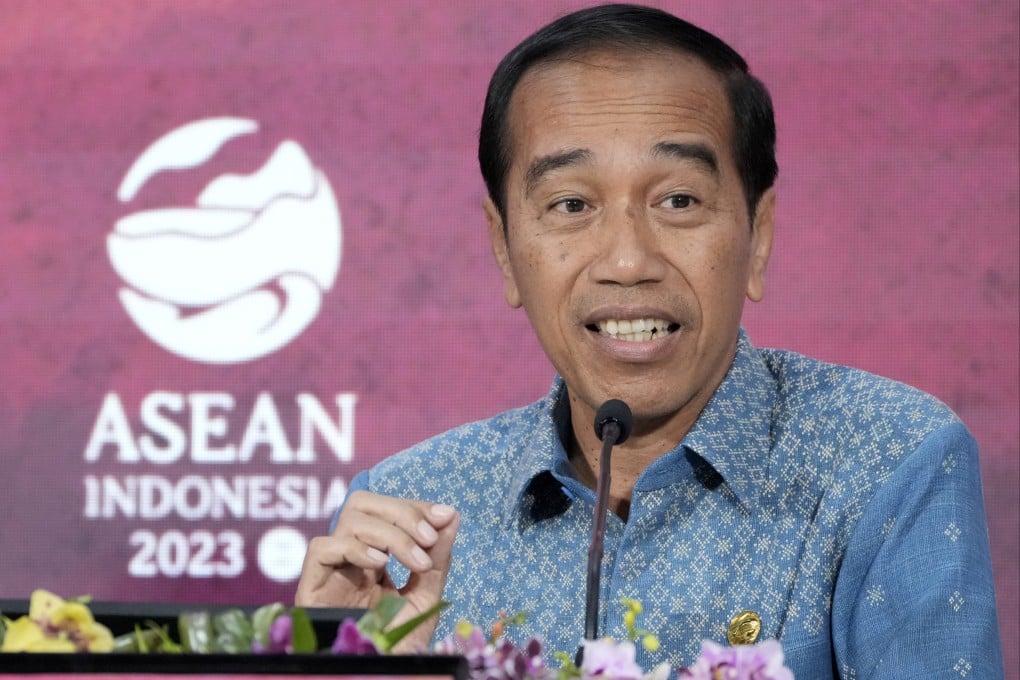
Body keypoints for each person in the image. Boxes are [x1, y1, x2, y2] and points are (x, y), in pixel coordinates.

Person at [296, 4, 1003, 677]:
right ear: (505, 249)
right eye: (571, 204)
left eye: (679, 201)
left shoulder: (887, 459)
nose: (629, 260)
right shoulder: (405, 518)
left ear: (758, 238)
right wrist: (348, 669)